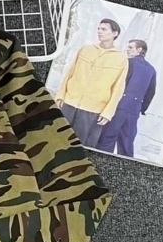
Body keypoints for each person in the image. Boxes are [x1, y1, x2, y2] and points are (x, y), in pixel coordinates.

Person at [56, 18, 128, 148]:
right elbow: (69, 73)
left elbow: (118, 88)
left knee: (80, 146)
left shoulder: (121, 59)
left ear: (115, 33)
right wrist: (60, 95)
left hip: (93, 110)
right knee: (56, 139)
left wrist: (108, 112)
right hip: (69, 102)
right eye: (99, 29)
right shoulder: (85, 49)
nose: (100, 31)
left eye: (104, 29)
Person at [96, 39, 156, 157]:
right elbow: (151, 92)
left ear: (139, 50)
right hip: (134, 108)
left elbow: (118, 83)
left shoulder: (127, 63)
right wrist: (142, 108)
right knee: (127, 143)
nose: (127, 50)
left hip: (119, 105)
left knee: (107, 138)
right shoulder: (151, 69)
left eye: (131, 47)